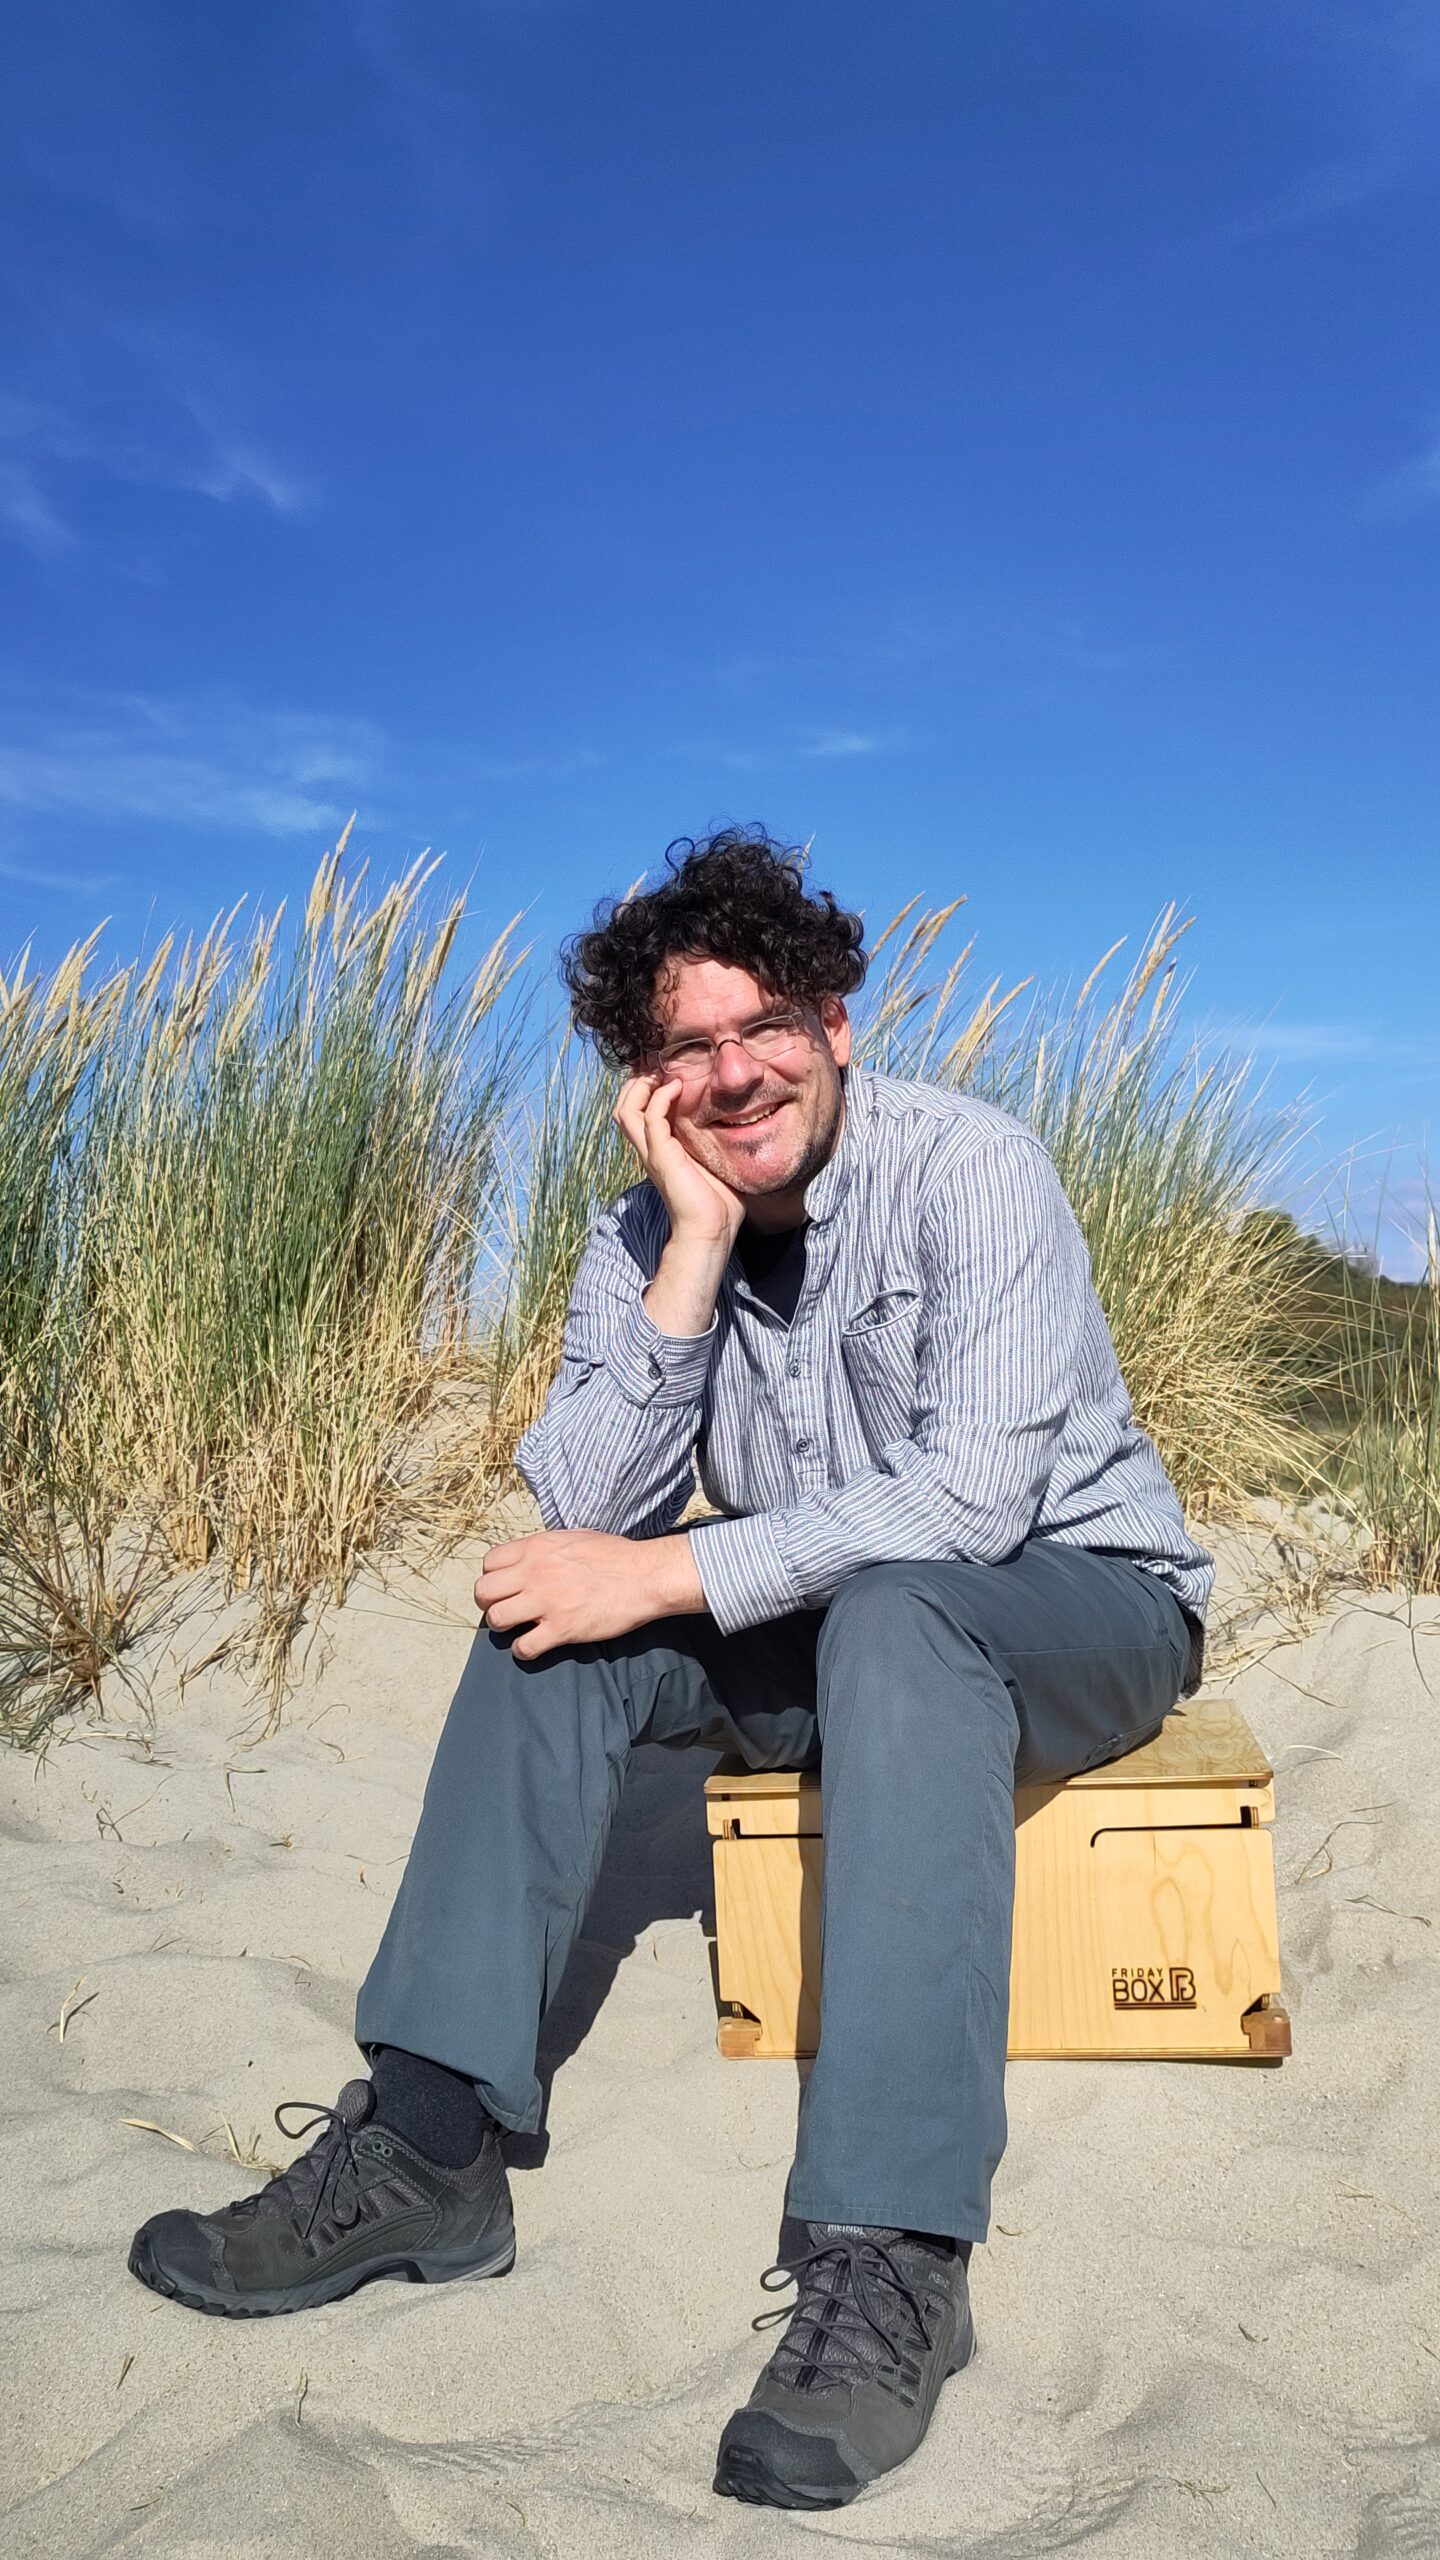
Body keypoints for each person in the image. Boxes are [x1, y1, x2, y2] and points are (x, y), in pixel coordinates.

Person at [129, 830, 1213, 2512]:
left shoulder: (973, 1168)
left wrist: (666, 1568)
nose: (733, 1072)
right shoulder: (641, 1228)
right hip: (846, 1617)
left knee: (896, 1612)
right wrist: (691, 1257)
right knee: (552, 1616)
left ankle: (892, 2257)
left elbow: (971, 1505)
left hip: (1077, 1604)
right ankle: (425, 2147)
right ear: (643, 1082)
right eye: (684, 1048)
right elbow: (583, 1512)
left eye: (763, 1024)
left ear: (835, 1023)